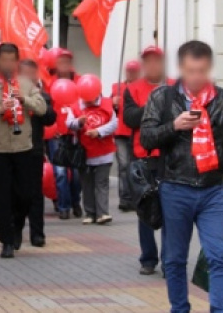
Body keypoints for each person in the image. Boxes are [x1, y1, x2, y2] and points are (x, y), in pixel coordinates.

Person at [140, 40, 223, 313]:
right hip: (175, 188)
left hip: (212, 190)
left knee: (220, 256)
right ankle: (180, 308)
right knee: (174, 259)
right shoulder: (163, 97)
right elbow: (146, 138)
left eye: (202, 71)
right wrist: (174, 126)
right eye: (191, 71)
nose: (197, 77)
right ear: (181, 69)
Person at [0, 43, 47, 258]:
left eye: (11, 60)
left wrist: (24, 100)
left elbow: (42, 108)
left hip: (24, 148)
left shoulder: (26, 84)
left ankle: (17, 226)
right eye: (4, 60)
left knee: (25, 194)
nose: (8, 64)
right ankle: (6, 240)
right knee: (3, 196)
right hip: (0, 149)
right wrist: (0, 110)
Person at [123, 46, 169, 275]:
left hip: (169, 158)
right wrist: (154, 106)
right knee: (145, 209)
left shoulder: (175, 86)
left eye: (156, 60)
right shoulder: (132, 89)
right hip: (143, 158)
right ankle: (148, 258)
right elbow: (130, 118)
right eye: (148, 61)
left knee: (171, 211)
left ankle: (170, 260)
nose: (152, 65)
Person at [18, 59, 56, 246]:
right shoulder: (11, 94)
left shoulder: (43, 96)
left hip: (34, 150)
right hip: (14, 150)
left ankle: (37, 234)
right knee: (17, 193)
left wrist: (36, 103)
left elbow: (50, 118)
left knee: (35, 194)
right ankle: (15, 233)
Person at [66, 87, 118, 225]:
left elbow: (114, 124)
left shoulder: (107, 104)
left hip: (104, 151)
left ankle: (103, 213)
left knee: (102, 183)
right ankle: (90, 213)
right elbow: (69, 124)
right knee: (87, 183)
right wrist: (79, 122)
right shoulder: (75, 107)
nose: (89, 102)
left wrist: (99, 131)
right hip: (84, 153)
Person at [112, 60, 140, 211]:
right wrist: (113, 103)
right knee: (123, 166)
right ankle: (125, 198)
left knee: (134, 166)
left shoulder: (141, 88)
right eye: (129, 71)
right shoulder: (117, 88)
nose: (131, 73)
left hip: (136, 132)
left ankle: (136, 197)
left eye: (134, 71)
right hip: (121, 133)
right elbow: (108, 111)